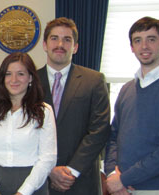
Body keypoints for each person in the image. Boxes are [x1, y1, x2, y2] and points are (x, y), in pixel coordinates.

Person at [105, 16, 159, 195]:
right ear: (132, 47)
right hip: (121, 188)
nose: (144, 46)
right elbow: (113, 136)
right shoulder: (126, 89)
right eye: (138, 41)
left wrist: (124, 179)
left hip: (157, 189)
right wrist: (113, 174)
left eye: (151, 40)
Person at [36, 17, 111, 195]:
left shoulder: (94, 80)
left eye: (67, 39)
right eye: (54, 38)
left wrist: (72, 170)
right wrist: (50, 170)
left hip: (81, 181)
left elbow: (99, 131)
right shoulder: (30, 82)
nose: (60, 44)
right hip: (40, 182)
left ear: (75, 47)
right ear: (45, 45)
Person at [0, 52, 57, 195]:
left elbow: (47, 159)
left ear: (30, 78)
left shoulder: (44, 111)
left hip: (33, 186)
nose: (14, 79)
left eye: (20, 74)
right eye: (8, 74)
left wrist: (23, 192)